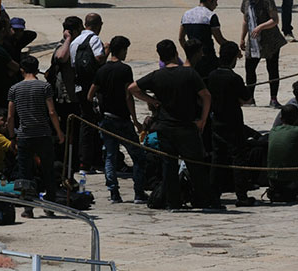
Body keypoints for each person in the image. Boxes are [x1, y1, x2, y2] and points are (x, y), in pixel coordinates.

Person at [130, 40, 217, 210]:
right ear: (176, 53)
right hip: (186, 126)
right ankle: (202, 200)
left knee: (169, 166)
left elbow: (133, 88)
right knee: (195, 165)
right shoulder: (189, 73)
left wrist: (152, 101)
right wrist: (203, 120)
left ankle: (173, 202)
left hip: (165, 127)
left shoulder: (157, 75)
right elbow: (206, 95)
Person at [86, 35, 148, 204]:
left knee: (110, 157)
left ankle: (114, 193)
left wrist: (99, 110)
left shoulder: (102, 70)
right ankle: (139, 192)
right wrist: (135, 119)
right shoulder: (125, 70)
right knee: (138, 156)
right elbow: (128, 96)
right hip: (122, 119)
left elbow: (90, 95)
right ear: (121, 50)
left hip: (106, 119)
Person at [8, 56, 65, 218]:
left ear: (22, 70)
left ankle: (28, 208)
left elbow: (10, 117)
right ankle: (50, 206)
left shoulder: (15, 89)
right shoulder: (45, 87)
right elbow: (52, 112)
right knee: (48, 170)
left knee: (25, 172)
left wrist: (12, 136)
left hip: (25, 135)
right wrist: (59, 132)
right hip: (44, 134)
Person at [206, 41, 256, 206]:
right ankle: (241, 196)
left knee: (217, 159)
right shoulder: (234, 78)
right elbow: (247, 99)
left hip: (216, 121)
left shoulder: (212, 75)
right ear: (233, 58)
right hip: (233, 122)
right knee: (238, 158)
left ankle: (213, 195)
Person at [240, 0, 286, 107]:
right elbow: (245, 20)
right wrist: (242, 38)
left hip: (270, 39)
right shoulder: (246, 0)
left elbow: (275, 20)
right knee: (250, 68)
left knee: (272, 69)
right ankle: (250, 98)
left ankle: (273, 98)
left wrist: (261, 27)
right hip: (253, 40)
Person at [71, 12, 106, 173]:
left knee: (85, 122)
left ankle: (84, 160)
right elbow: (99, 59)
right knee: (93, 123)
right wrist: (107, 50)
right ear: (98, 25)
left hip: (78, 87)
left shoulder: (75, 41)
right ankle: (92, 160)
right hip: (92, 87)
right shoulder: (94, 39)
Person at [46, 16, 82, 162]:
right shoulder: (63, 46)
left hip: (75, 97)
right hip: (65, 98)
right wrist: (68, 39)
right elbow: (61, 57)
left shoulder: (78, 45)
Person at [267, 104, 298, 202]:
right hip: (290, 180)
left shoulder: (273, 130)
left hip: (271, 179)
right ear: (297, 119)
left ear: (281, 117)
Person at [180, 0, 229, 76]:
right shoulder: (210, 16)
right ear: (210, 0)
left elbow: (181, 38)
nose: (216, 4)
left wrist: (190, 52)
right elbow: (220, 40)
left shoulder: (186, 14)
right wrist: (233, 49)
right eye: (216, 1)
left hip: (192, 60)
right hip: (208, 59)